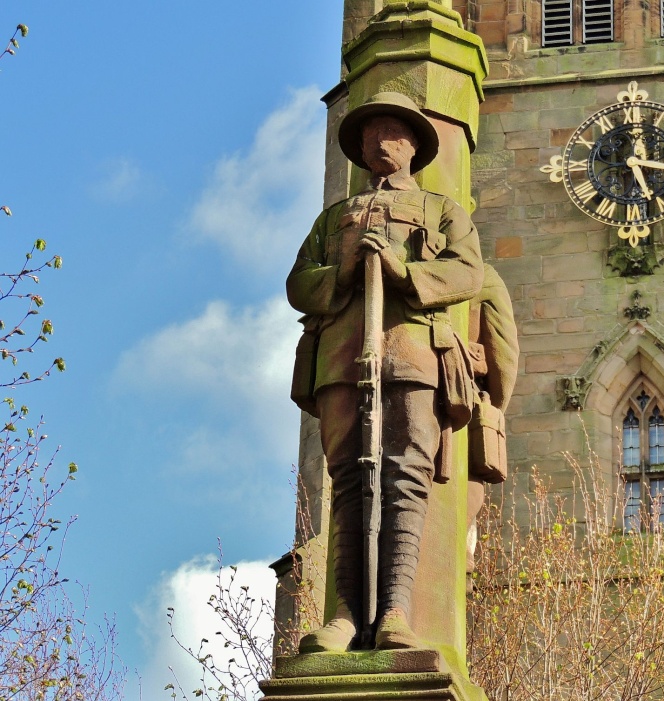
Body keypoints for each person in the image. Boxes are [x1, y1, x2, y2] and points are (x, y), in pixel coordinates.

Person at [286, 92, 484, 652]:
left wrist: (404, 270)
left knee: (405, 479)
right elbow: (299, 283)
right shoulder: (333, 218)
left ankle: (396, 611)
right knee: (350, 483)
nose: (378, 142)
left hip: (415, 356)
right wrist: (343, 271)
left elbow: (468, 273)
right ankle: (347, 617)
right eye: (370, 134)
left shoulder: (444, 211)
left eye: (391, 132)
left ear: (415, 145)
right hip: (342, 359)